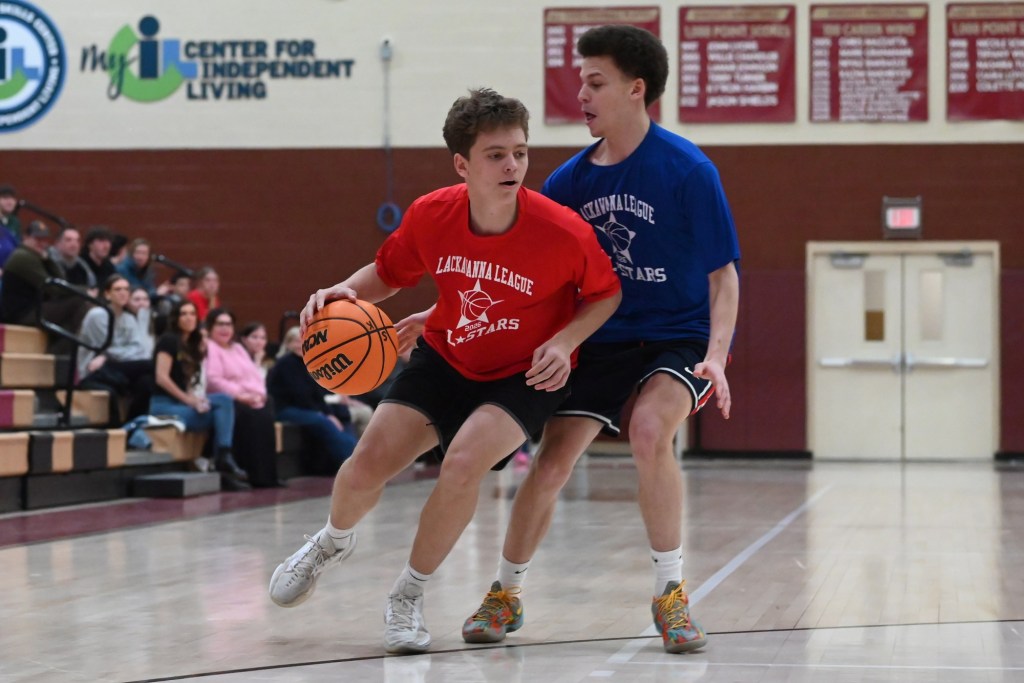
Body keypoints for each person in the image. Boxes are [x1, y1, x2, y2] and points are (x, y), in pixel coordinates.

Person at [267, 88, 621, 655]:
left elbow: (605, 295)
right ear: (462, 163)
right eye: (496, 154)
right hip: (447, 356)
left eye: (521, 153)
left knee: (461, 466)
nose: (513, 166)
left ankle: (408, 595)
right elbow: (388, 274)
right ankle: (332, 542)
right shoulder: (433, 214)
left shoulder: (562, 231)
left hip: (523, 372)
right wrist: (344, 290)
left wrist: (565, 340)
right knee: (366, 466)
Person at [452, 26, 741, 655]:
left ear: (636, 90)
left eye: (594, 82)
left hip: (678, 338)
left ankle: (670, 594)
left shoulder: (689, 170)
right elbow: (519, 272)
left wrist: (716, 355)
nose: (579, 94)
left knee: (647, 430)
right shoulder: (569, 183)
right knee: (551, 462)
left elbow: (724, 275)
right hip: (601, 338)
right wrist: (449, 313)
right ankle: (506, 591)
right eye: (580, 80)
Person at [149, 301, 250, 491]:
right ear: (176, 318)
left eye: (192, 314)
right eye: (184, 314)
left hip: (183, 403)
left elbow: (189, 382)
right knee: (222, 413)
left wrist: (196, 400)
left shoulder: (192, 344)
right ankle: (221, 460)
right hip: (164, 405)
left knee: (224, 402)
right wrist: (189, 400)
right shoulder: (168, 340)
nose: (189, 318)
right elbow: (161, 378)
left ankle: (223, 457)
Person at [204, 307, 283, 488]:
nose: (225, 329)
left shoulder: (238, 348)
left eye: (228, 324)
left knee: (267, 410)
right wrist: (241, 396)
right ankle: (247, 474)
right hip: (226, 398)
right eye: (220, 324)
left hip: (249, 397)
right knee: (248, 416)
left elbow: (254, 375)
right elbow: (214, 380)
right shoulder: (211, 347)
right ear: (210, 327)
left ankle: (267, 475)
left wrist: (258, 395)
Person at [267, 326, 358, 474]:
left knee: (341, 414)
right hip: (286, 409)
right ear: (288, 344)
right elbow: (299, 395)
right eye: (296, 341)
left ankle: (356, 456)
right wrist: (323, 415)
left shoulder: (310, 363)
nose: (300, 345)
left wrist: (329, 413)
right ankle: (352, 464)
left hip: (306, 408)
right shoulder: (285, 364)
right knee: (323, 422)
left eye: (304, 341)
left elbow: (317, 394)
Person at [0, 220, 92, 351]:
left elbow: (61, 280)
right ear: (25, 237)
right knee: (78, 301)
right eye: (37, 238)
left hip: (33, 309)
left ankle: (63, 355)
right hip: (21, 314)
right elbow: (53, 288)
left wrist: (47, 259)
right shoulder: (22, 257)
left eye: (44, 239)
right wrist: (85, 291)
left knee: (75, 312)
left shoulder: (35, 256)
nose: (42, 243)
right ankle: (60, 355)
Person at [77, 275, 154, 424]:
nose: (123, 293)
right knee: (150, 365)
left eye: (126, 289)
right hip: (93, 370)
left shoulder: (129, 318)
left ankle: (132, 425)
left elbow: (137, 349)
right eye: (117, 289)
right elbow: (107, 348)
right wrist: (109, 355)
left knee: (147, 382)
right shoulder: (97, 315)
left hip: (115, 366)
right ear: (107, 294)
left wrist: (106, 355)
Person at [49, 226, 98, 295]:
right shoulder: (49, 262)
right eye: (68, 240)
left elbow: (92, 286)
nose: (74, 244)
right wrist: (84, 291)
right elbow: (59, 290)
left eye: (77, 241)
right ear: (57, 243)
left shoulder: (83, 266)